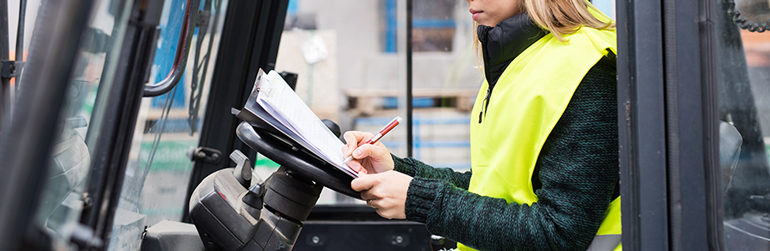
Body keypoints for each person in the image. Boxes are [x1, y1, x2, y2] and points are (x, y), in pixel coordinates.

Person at [342, 0, 619, 250]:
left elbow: (560, 233)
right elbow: (489, 187)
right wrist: (396, 169)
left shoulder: (586, 68)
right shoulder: (521, 60)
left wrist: (420, 199)